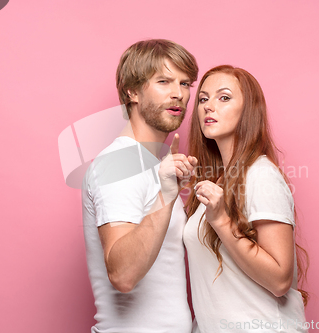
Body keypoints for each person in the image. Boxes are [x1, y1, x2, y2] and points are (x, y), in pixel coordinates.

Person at [81, 39, 199, 333]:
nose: (178, 94)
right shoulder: (119, 163)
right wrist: (166, 196)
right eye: (164, 81)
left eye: (185, 83)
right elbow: (122, 275)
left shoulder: (149, 164)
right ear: (132, 91)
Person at [184, 65, 309, 333]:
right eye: (203, 98)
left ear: (248, 111)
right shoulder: (217, 181)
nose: (208, 106)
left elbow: (279, 280)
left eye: (224, 97)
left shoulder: (261, 175)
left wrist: (221, 222)